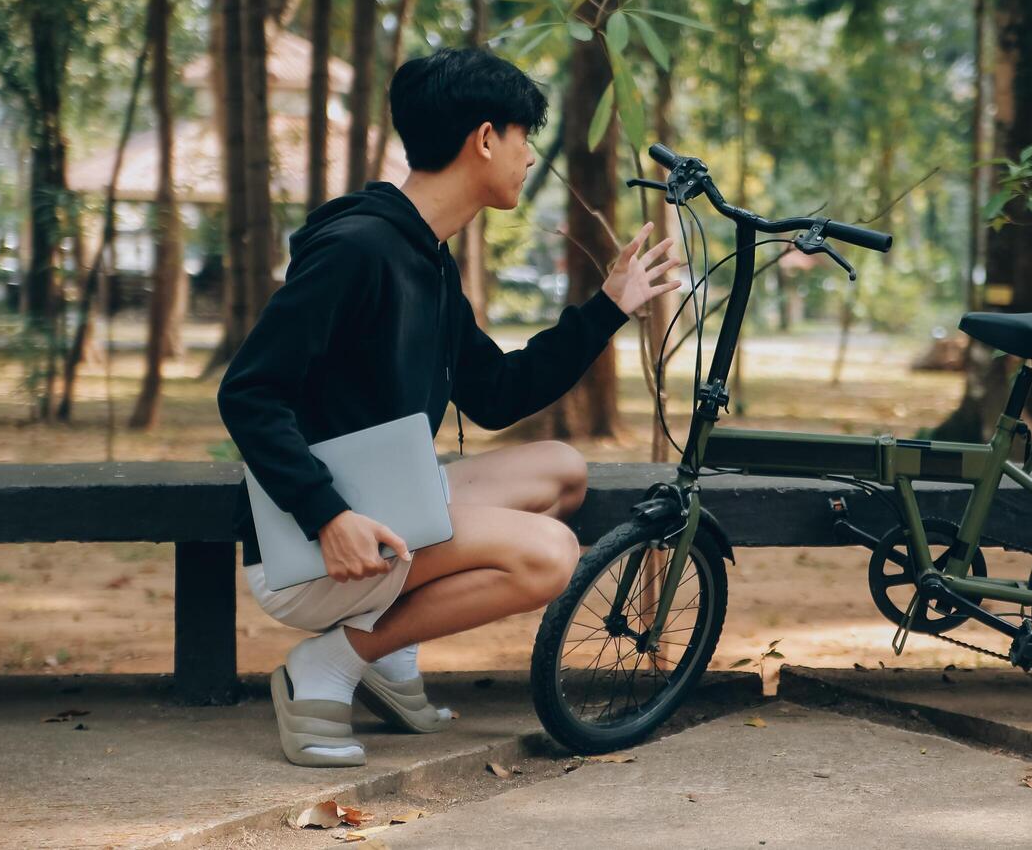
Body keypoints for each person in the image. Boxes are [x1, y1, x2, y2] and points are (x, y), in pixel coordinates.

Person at [215, 47, 682, 767]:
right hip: (309, 545)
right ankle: (331, 664)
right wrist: (326, 514)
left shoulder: (426, 254)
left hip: (375, 508)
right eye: (524, 136)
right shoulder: (359, 249)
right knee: (550, 556)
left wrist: (608, 309)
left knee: (561, 469)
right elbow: (249, 390)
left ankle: (388, 650)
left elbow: (493, 394)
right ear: (486, 138)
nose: (529, 156)